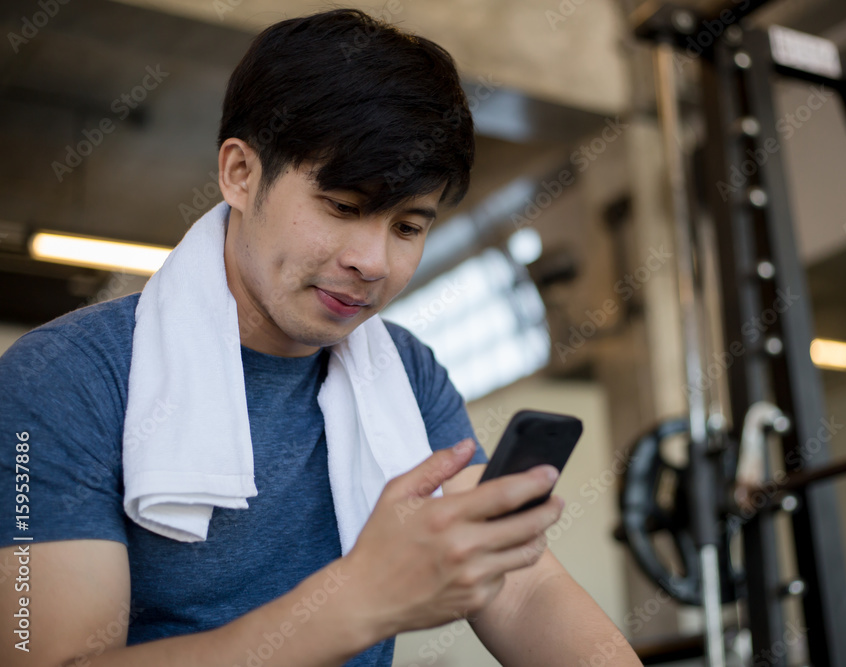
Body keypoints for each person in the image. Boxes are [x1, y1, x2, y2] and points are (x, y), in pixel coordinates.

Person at [0, 8, 642, 666]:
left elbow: (522, 590)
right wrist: (358, 597)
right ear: (240, 174)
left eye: (409, 226)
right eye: (343, 206)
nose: (374, 260)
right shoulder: (59, 380)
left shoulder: (405, 373)